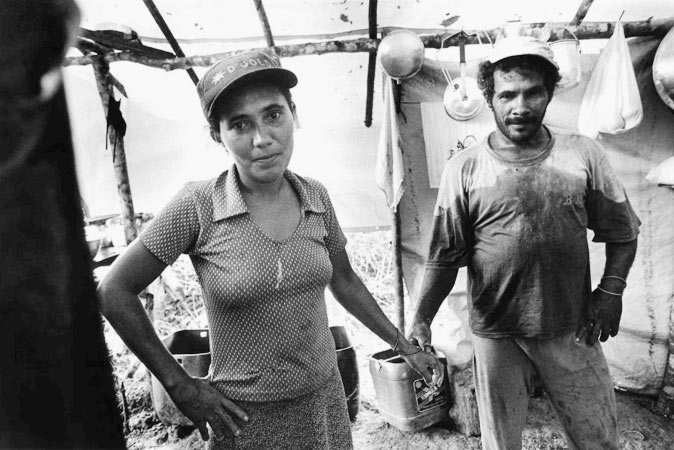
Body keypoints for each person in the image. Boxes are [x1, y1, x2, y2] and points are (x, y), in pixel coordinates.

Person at [97, 49, 444, 450]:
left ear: (292, 113)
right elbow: (113, 292)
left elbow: (345, 281)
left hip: (323, 402)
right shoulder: (198, 206)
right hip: (245, 417)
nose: (262, 139)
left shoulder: (315, 196)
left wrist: (403, 346)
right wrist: (179, 384)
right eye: (240, 125)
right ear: (217, 135)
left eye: (273, 115)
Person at [408, 36, 640, 450]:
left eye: (533, 92)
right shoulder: (464, 169)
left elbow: (623, 232)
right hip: (497, 333)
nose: (520, 106)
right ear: (490, 98)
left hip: (571, 326)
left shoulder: (582, 155)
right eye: (507, 94)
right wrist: (421, 318)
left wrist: (611, 291)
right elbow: (444, 257)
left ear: (549, 93)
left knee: (599, 439)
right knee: (501, 444)